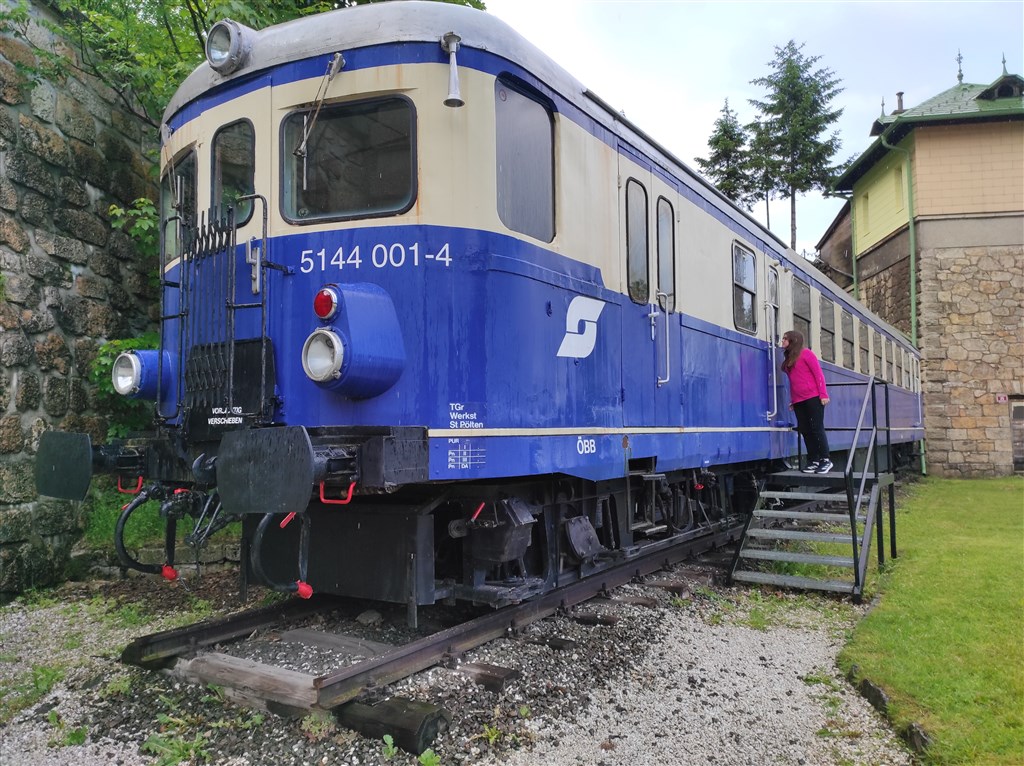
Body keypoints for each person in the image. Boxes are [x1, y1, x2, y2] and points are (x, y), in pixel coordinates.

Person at [780, 330, 832, 474]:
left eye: (785, 339)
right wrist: (793, 400)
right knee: (805, 430)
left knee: (817, 428)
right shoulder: (789, 359)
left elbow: (818, 374)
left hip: (813, 397)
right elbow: (794, 382)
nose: (782, 341)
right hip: (799, 401)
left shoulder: (807, 354)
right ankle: (813, 460)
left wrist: (823, 394)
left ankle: (825, 460)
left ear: (793, 340)